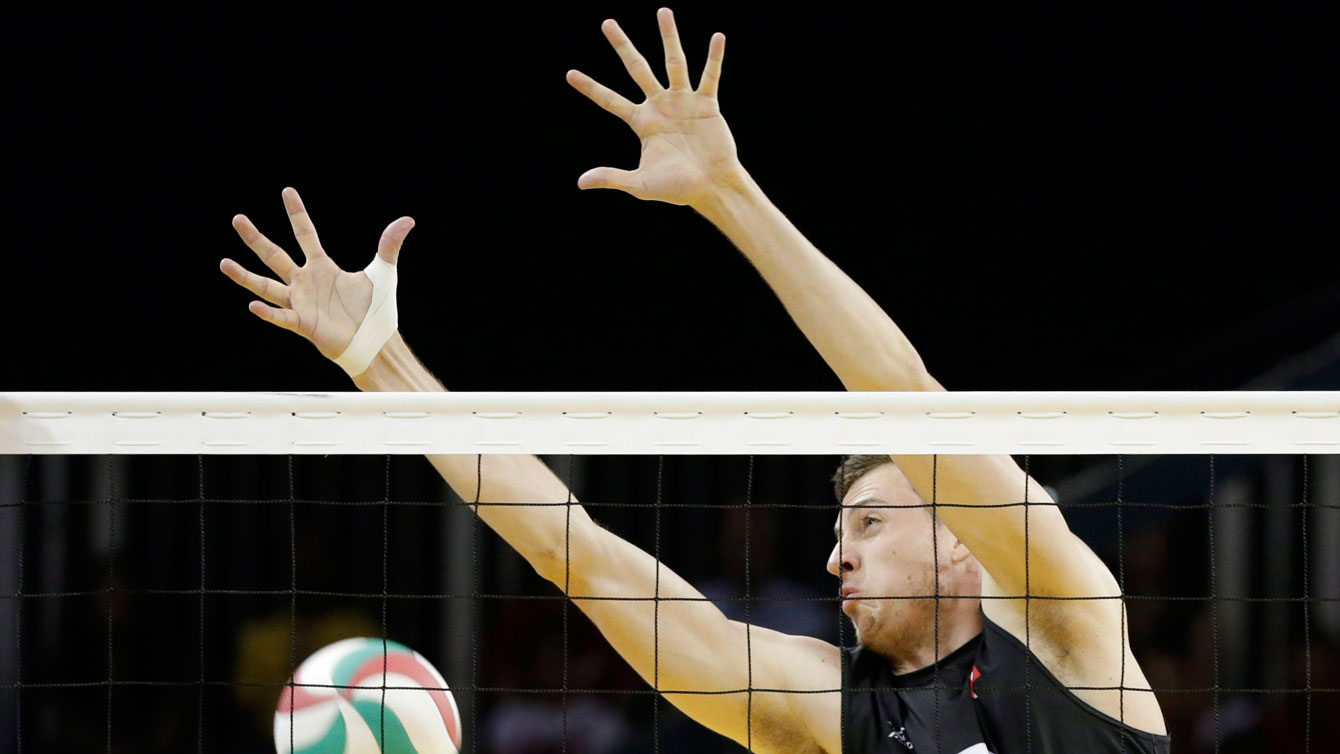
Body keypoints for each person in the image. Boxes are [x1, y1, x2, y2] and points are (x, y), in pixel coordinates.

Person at [220, 9, 1169, 752]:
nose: (837, 557)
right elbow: (576, 554)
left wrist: (729, 194)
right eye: (841, 534)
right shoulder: (835, 715)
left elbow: (905, 393)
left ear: (965, 542)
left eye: (871, 523)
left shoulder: (1066, 629)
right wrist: (376, 363)